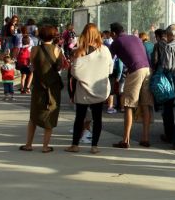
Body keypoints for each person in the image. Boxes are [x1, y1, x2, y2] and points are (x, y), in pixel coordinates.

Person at [65, 24, 113, 155]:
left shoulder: (79, 51)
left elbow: (74, 72)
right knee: (98, 118)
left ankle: (75, 144)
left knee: (79, 118)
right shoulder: (105, 50)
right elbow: (110, 69)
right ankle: (94, 146)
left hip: (83, 90)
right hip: (100, 89)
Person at [20, 25, 65, 153]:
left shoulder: (34, 49)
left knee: (33, 116)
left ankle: (28, 144)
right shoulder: (57, 50)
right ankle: (45, 146)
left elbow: (33, 66)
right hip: (53, 87)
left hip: (38, 86)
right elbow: (59, 67)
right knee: (50, 116)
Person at [110, 22, 154, 149]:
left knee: (129, 104)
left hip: (135, 70)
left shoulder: (116, 42)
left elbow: (109, 59)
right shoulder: (136, 38)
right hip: (147, 70)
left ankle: (125, 140)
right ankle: (145, 138)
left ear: (113, 33)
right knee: (145, 104)